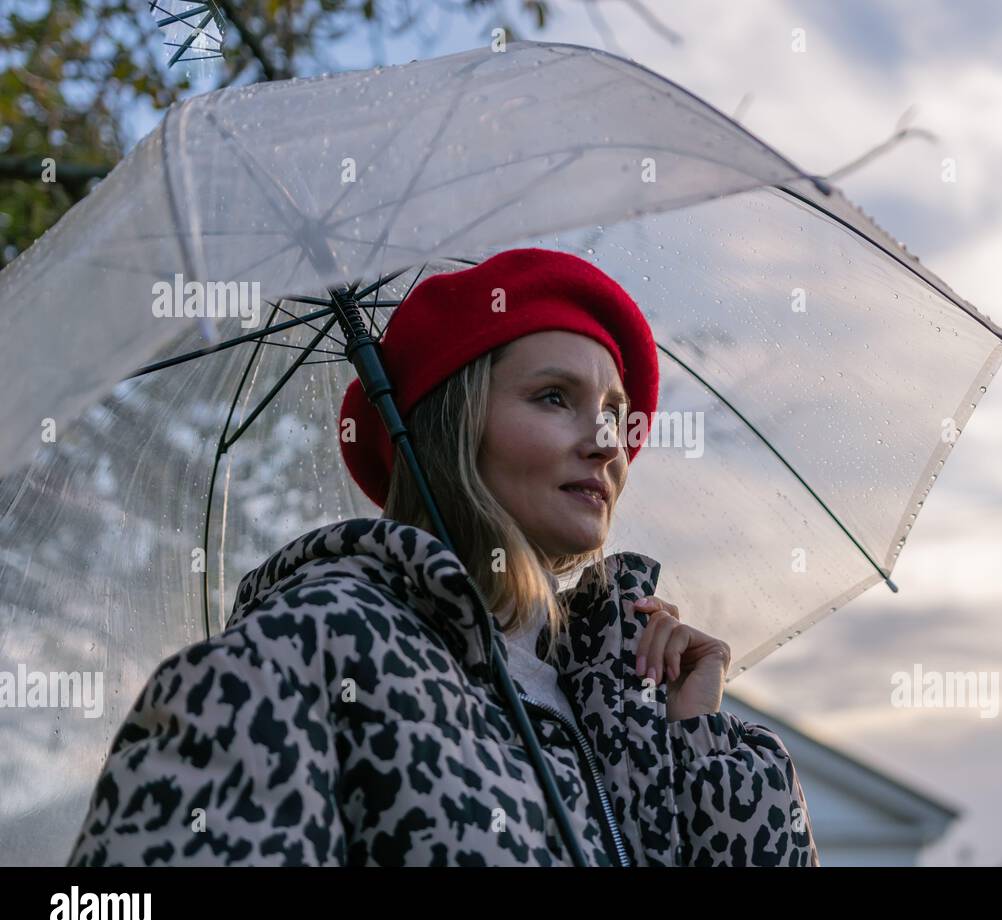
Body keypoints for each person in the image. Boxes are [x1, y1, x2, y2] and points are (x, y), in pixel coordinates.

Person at [67, 247, 819, 866]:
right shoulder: (312, 651)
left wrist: (701, 741)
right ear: (454, 428)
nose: (604, 441)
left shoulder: (627, 702)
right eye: (554, 397)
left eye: (614, 412)